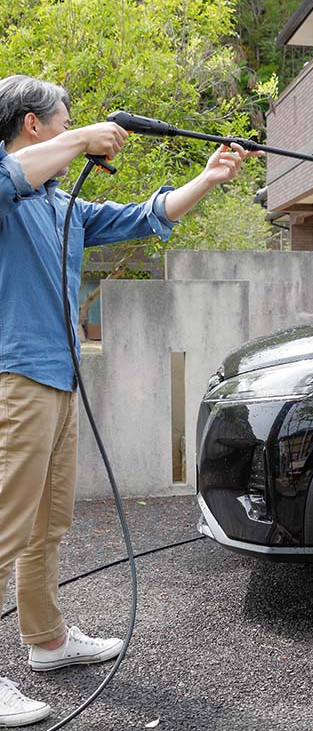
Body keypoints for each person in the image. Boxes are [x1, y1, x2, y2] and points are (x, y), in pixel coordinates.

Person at [0, 75, 261, 727]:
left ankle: (47, 639)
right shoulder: (9, 187)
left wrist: (207, 179)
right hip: (15, 377)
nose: (72, 129)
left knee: (47, 523)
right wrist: (87, 137)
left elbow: (146, 215)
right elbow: (10, 172)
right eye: (64, 121)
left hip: (60, 382)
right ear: (32, 124)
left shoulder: (62, 206)